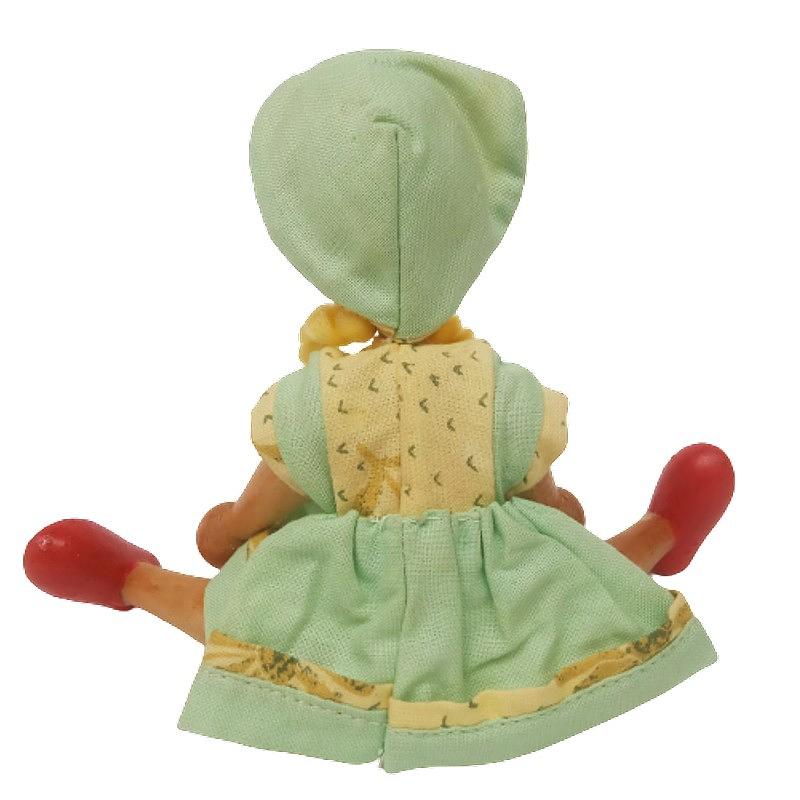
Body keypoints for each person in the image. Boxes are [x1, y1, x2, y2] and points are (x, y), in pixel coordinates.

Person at [23, 50, 734, 771]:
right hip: (498, 617)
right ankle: (660, 534)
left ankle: (134, 582)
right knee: (579, 593)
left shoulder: (313, 401)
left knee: (244, 616)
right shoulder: (501, 386)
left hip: (349, 622)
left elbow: (255, 514)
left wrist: (225, 530)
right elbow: (551, 508)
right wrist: (563, 519)